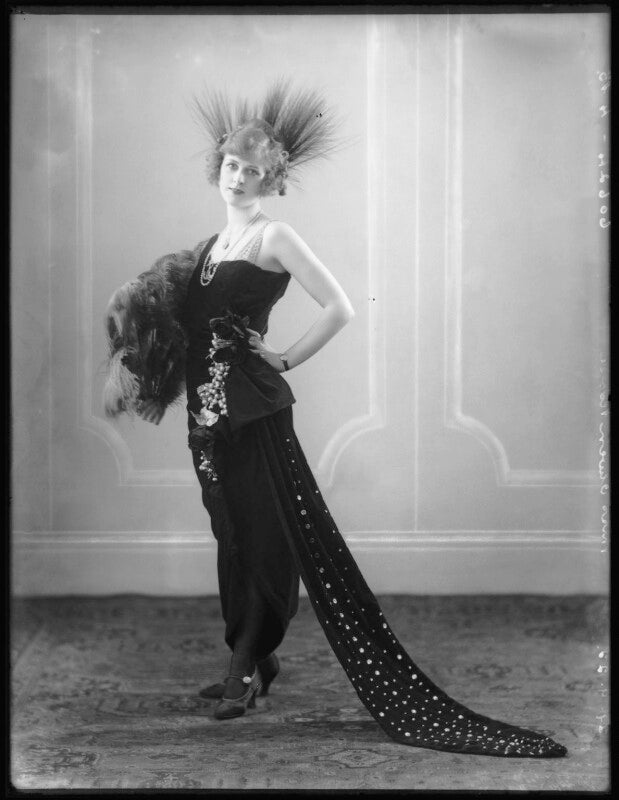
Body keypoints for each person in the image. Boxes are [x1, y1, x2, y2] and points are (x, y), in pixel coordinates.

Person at [130, 83, 566, 758]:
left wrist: (283, 357)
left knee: (264, 536)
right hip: (206, 417)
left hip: (252, 412)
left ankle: (245, 664)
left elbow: (340, 307)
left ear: (270, 179)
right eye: (231, 164)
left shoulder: (274, 236)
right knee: (230, 532)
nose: (238, 176)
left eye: (252, 170)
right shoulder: (214, 245)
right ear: (218, 165)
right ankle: (255, 656)